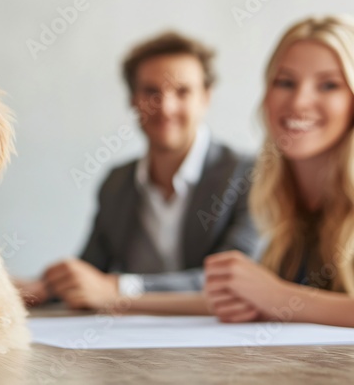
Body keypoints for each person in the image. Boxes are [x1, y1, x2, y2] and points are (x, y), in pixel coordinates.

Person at [22, 31, 260, 309]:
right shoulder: (117, 182)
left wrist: (120, 287)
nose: (166, 107)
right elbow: (91, 272)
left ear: (205, 98)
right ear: (133, 100)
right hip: (132, 345)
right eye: (151, 92)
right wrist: (44, 287)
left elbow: (234, 281)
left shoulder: (249, 175)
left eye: (182, 91)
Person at [202, 15, 354, 327]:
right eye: (286, 82)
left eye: (329, 85)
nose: (299, 102)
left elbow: (275, 297)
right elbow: (257, 298)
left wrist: (277, 299)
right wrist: (114, 297)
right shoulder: (287, 210)